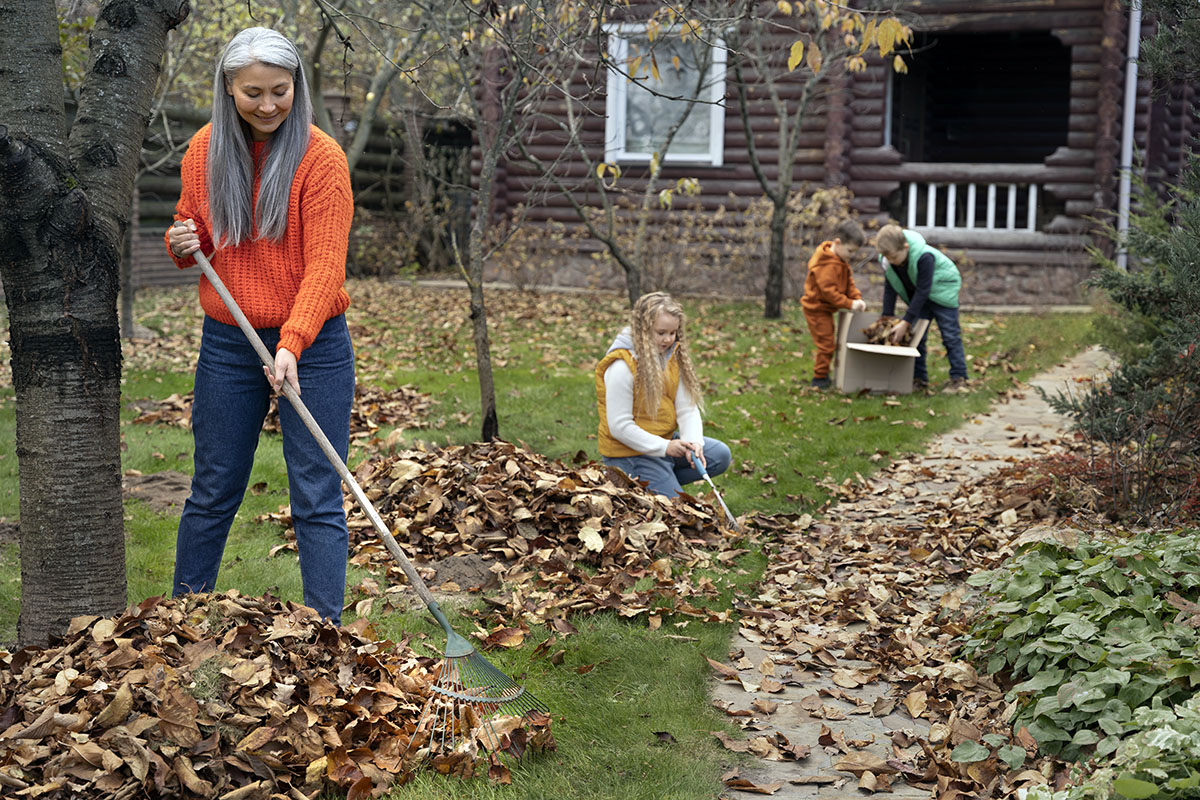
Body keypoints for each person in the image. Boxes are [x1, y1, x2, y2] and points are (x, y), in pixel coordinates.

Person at [165, 27, 355, 624]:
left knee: (318, 495)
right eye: (253, 92)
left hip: (315, 343)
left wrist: (293, 342)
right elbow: (189, 230)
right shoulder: (203, 150)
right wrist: (180, 241)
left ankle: (326, 633)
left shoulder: (320, 159)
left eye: (280, 90)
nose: (268, 105)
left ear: (297, 84)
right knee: (214, 486)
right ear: (228, 88)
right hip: (228, 342)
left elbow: (326, 265)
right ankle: (179, 620)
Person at [595, 292, 732, 498]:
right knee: (675, 510)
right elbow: (619, 427)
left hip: (664, 443)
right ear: (642, 329)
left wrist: (693, 443)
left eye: (673, 332)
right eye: (661, 333)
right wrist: (665, 447)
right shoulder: (622, 366)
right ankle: (643, 481)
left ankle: (661, 480)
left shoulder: (670, 357)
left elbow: (687, 408)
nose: (668, 339)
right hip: (629, 454)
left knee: (720, 455)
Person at [874, 224, 968, 392]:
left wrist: (906, 321)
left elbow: (923, 290)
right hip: (920, 298)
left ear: (905, 247)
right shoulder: (889, 261)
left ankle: (959, 378)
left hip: (942, 292)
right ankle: (919, 379)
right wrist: (886, 318)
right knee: (916, 338)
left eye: (895, 257)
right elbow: (890, 289)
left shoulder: (924, 257)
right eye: (888, 258)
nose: (893, 262)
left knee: (950, 335)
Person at [801, 219, 868, 389]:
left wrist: (857, 298)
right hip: (816, 309)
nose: (851, 256)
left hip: (826, 309)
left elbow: (849, 283)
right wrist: (849, 304)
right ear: (837, 243)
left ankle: (824, 374)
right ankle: (819, 378)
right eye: (850, 251)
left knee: (830, 342)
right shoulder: (825, 264)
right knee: (826, 344)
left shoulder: (841, 260)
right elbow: (829, 293)